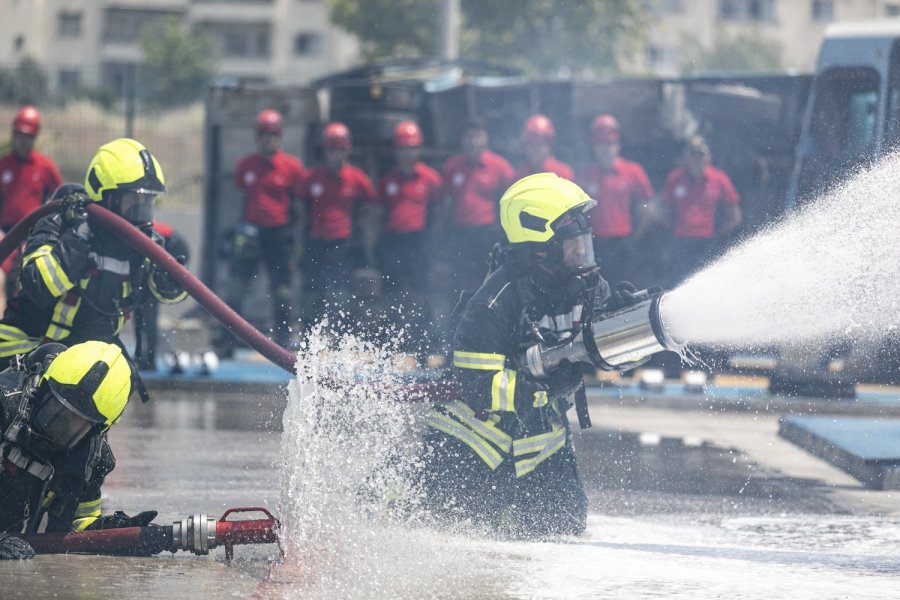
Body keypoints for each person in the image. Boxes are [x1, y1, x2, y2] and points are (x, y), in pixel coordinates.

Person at [419, 173, 647, 540]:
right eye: (573, 245)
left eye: (584, 244)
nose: (582, 255)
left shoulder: (584, 286)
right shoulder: (494, 302)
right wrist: (539, 388)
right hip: (473, 447)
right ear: (542, 247)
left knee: (564, 529)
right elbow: (478, 385)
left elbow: (613, 358)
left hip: (541, 442)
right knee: (439, 526)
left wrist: (630, 330)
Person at [0, 138, 187, 370]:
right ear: (107, 196)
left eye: (146, 200)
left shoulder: (142, 244)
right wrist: (78, 241)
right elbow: (37, 285)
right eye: (133, 199)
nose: (140, 210)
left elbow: (161, 292)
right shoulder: (60, 225)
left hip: (80, 362)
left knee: (120, 376)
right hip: (25, 352)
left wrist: (169, 284)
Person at [0, 341, 157, 560]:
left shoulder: (90, 460)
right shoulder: (5, 402)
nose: (55, 425)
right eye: (54, 408)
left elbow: (78, 525)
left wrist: (119, 534)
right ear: (43, 388)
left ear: (95, 430)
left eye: (73, 422)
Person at [215, 109, 305, 355]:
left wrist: (292, 235)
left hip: (278, 235)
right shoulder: (247, 166)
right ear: (257, 137)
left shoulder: (292, 167)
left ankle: (283, 343)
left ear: (280, 136)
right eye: (264, 134)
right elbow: (243, 196)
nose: (268, 139)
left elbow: (299, 204)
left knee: (282, 292)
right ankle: (228, 339)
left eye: (272, 134)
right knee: (236, 287)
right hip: (251, 233)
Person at [375, 121, 443, 354]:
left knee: (421, 295)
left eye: (411, 148)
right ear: (396, 151)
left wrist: (431, 244)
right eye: (403, 149)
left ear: (419, 149)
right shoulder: (387, 180)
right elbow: (377, 213)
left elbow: (438, 212)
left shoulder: (430, 179)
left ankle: (422, 346)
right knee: (392, 296)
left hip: (418, 243)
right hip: (393, 242)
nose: (407, 154)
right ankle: (393, 346)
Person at [300, 122, 376, 323]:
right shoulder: (312, 178)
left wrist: (357, 230)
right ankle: (310, 339)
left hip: (343, 245)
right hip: (316, 243)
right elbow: (301, 207)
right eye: (332, 150)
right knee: (313, 294)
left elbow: (370, 206)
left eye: (340, 150)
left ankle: (340, 339)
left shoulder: (357, 179)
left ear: (347, 150)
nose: (336, 155)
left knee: (341, 295)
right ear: (325, 151)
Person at [441, 118, 515, 318]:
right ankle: (458, 322)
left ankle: (487, 320)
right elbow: (445, 202)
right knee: (460, 280)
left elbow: (510, 201)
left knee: (488, 280)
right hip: (460, 234)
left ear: (486, 138)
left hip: (487, 234)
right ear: (462, 140)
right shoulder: (452, 167)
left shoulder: (500, 166)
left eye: (478, 136)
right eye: (469, 137)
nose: (474, 141)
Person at [0, 106, 65, 310]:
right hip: (5, 233)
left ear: (34, 137)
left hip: (32, 235)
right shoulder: (4, 165)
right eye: (19, 135)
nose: (22, 141)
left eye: (27, 136)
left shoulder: (44, 166)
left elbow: (62, 198)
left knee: (29, 274)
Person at [578, 114, 654, 285]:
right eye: (601, 144)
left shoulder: (633, 171)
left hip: (623, 242)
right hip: (595, 244)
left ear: (618, 145)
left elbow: (647, 207)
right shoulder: (586, 175)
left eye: (610, 144)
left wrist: (635, 237)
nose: (606, 149)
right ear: (594, 146)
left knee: (625, 287)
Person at [660, 135, 742, 287]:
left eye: (701, 156)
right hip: (680, 241)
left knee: (706, 282)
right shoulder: (675, 178)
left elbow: (735, 215)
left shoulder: (719, 179)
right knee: (678, 282)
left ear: (709, 157)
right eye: (693, 155)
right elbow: (663, 208)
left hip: (708, 242)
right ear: (686, 157)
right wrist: (671, 231)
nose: (697, 160)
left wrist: (719, 235)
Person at [133, 221, 190, 370]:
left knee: (148, 307)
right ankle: (142, 355)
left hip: (174, 247)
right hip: (169, 245)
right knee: (140, 307)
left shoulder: (136, 228)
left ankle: (149, 358)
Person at [514, 114, 573, 181]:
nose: (537, 148)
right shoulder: (519, 176)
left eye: (541, 143)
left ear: (550, 144)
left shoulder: (563, 174)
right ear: (525, 145)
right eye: (533, 143)